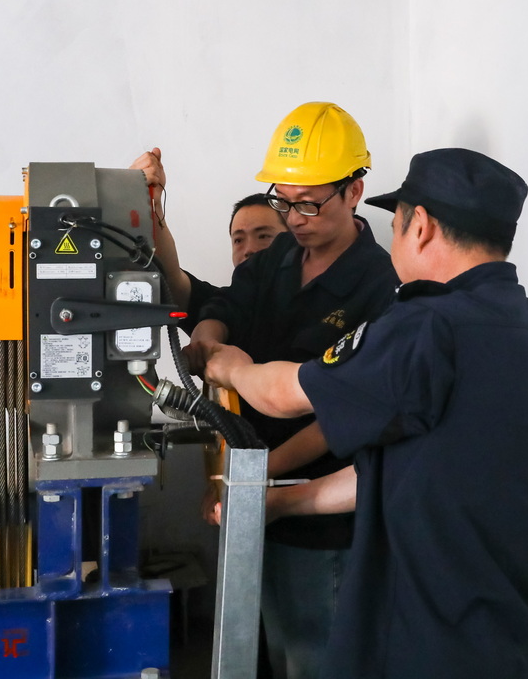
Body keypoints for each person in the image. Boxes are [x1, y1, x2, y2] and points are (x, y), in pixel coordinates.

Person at [204, 148, 528, 678]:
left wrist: (230, 366)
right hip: (513, 634)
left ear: (420, 226)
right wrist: (285, 503)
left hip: (425, 636)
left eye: (397, 223)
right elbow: (408, 468)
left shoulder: (425, 325)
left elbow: (286, 394)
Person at [185, 102, 399, 679]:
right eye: (283, 202)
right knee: (275, 651)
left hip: (321, 518)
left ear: (354, 192)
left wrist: (256, 479)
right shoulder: (280, 256)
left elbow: (344, 413)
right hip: (256, 497)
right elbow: (228, 302)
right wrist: (209, 335)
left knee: (315, 655)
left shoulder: (380, 286)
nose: (294, 218)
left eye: (309, 203)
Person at [128, 150, 288, 332]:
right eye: (238, 240)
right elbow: (170, 282)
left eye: (263, 236)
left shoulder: (313, 306)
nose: (248, 250)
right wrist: (149, 204)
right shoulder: (223, 309)